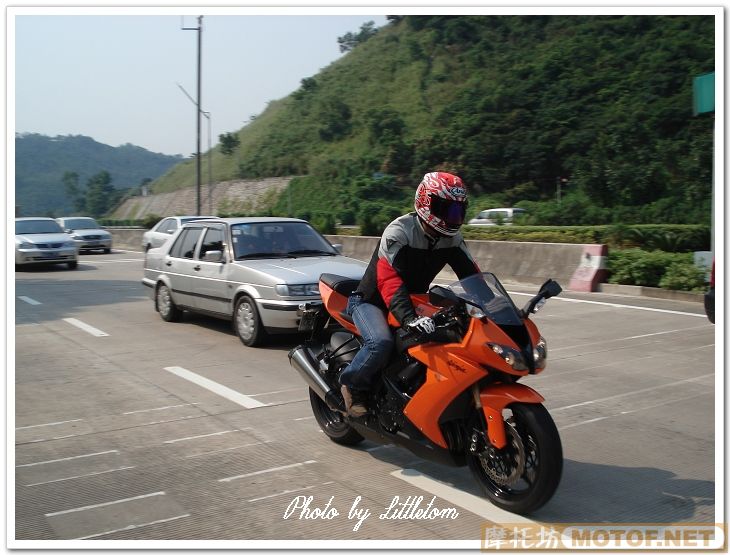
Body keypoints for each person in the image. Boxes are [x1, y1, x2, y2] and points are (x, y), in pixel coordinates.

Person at [339, 171, 481, 416]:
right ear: (426, 203)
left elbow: (473, 277)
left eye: (458, 211)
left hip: (414, 301)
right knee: (380, 343)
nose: (453, 218)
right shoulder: (399, 232)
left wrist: (494, 308)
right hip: (371, 302)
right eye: (447, 209)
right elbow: (389, 281)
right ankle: (351, 385)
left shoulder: (453, 239)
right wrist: (409, 319)